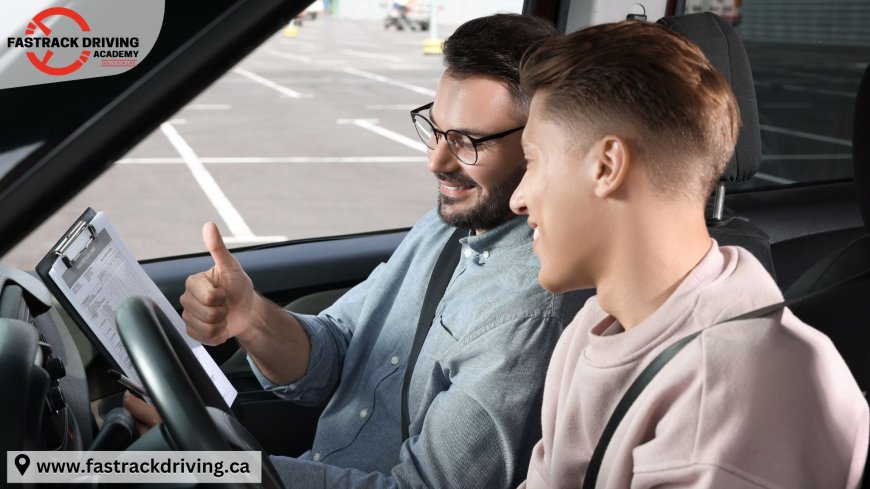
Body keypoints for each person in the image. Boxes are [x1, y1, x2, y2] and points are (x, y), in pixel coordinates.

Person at [126, 13, 588, 489]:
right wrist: (251, 318)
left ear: (539, 144)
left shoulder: (529, 310)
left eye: (468, 142)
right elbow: (339, 348)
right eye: (436, 128)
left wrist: (219, 472)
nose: (436, 160)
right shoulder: (444, 228)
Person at [510, 21, 869, 488]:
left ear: (607, 166)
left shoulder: (739, 395)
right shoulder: (594, 324)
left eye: (533, 161)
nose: (518, 198)